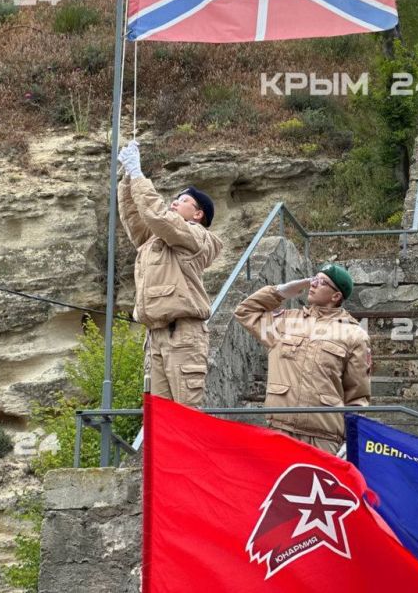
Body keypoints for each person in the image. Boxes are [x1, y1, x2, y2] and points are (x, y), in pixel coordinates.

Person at [116, 139, 222, 407]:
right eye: (175, 199)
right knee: (160, 417)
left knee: (186, 415)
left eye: (183, 201)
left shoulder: (196, 235)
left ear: (198, 215)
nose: (175, 203)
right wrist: (127, 178)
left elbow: (158, 217)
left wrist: (138, 174)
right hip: (156, 336)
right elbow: (134, 217)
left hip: (184, 334)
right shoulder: (157, 237)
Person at [234, 264, 371, 455]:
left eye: (322, 282)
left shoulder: (354, 335)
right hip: (280, 430)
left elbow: (357, 396)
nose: (313, 284)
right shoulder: (285, 322)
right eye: (314, 279)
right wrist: (281, 291)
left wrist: (353, 438)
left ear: (336, 296)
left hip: (323, 439)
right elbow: (245, 311)